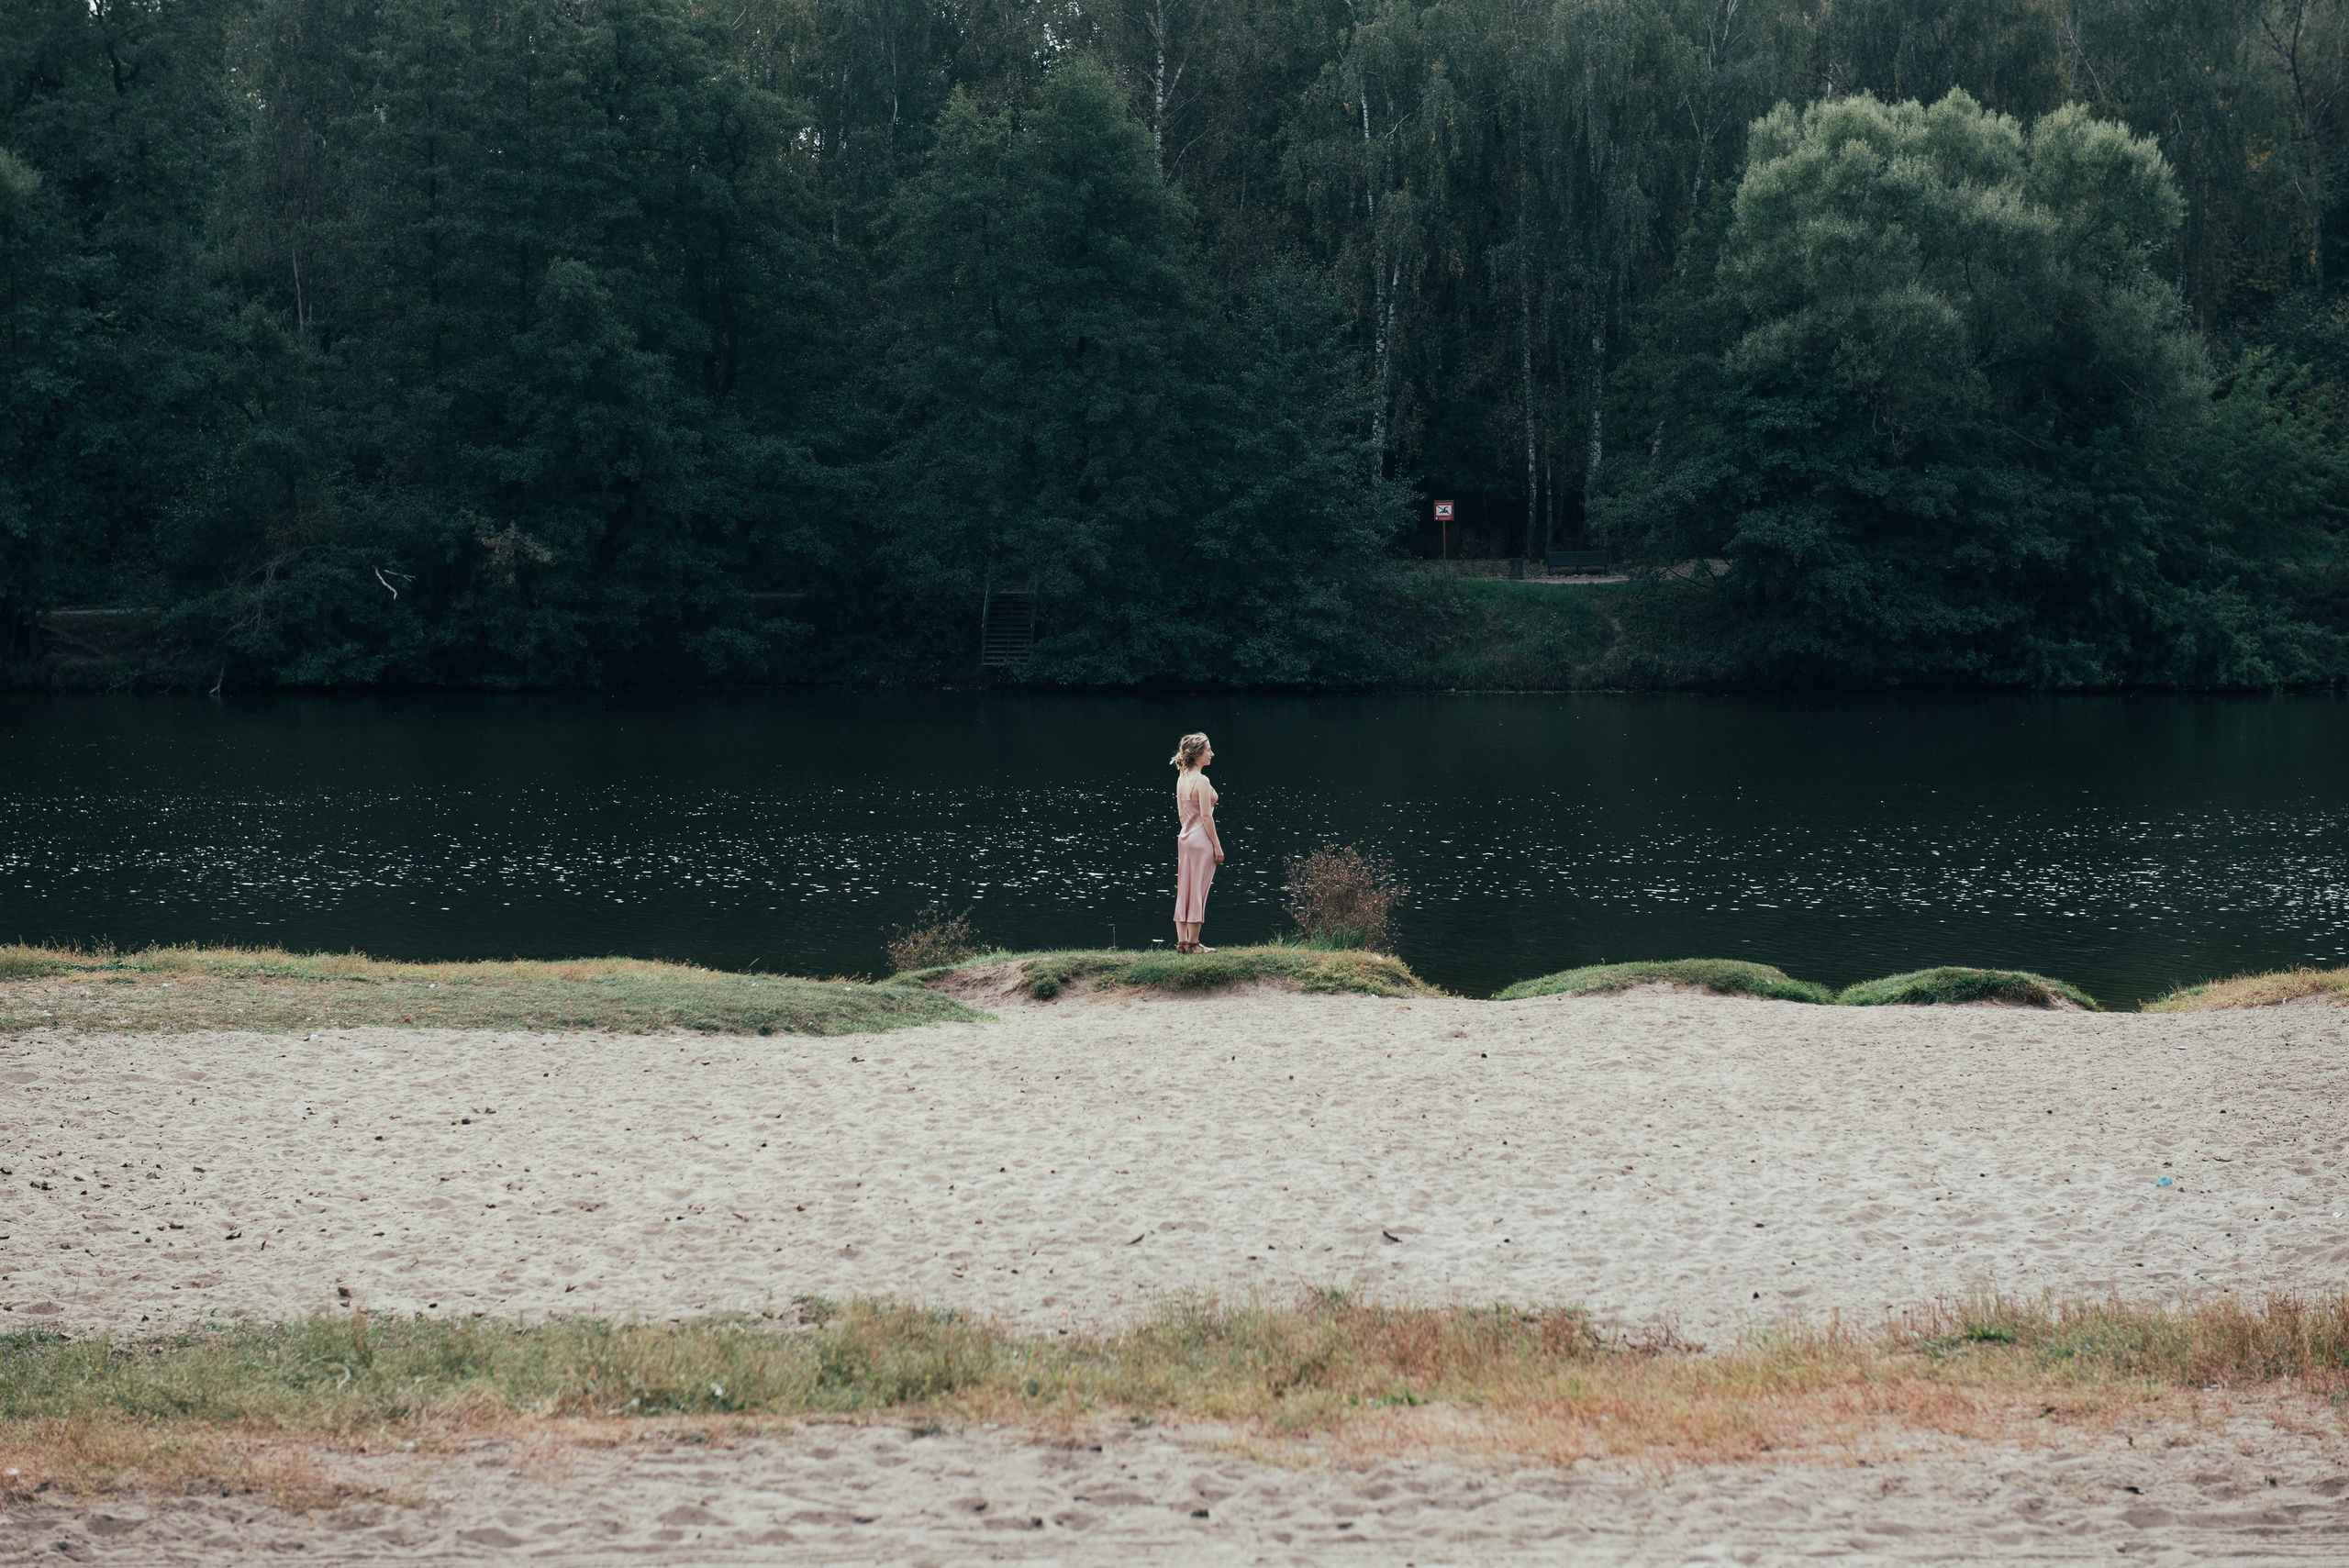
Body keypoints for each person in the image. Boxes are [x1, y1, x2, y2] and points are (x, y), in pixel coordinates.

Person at [1171, 731, 1223, 952]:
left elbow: (1182, 815)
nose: (1212, 753)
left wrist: (1187, 833)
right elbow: (1205, 816)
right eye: (1208, 750)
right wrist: (1217, 846)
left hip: (1185, 838)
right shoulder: (1202, 780)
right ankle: (1194, 944)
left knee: (1184, 888)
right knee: (1198, 889)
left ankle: (1182, 942)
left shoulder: (1182, 778)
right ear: (1197, 754)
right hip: (1201, 840)